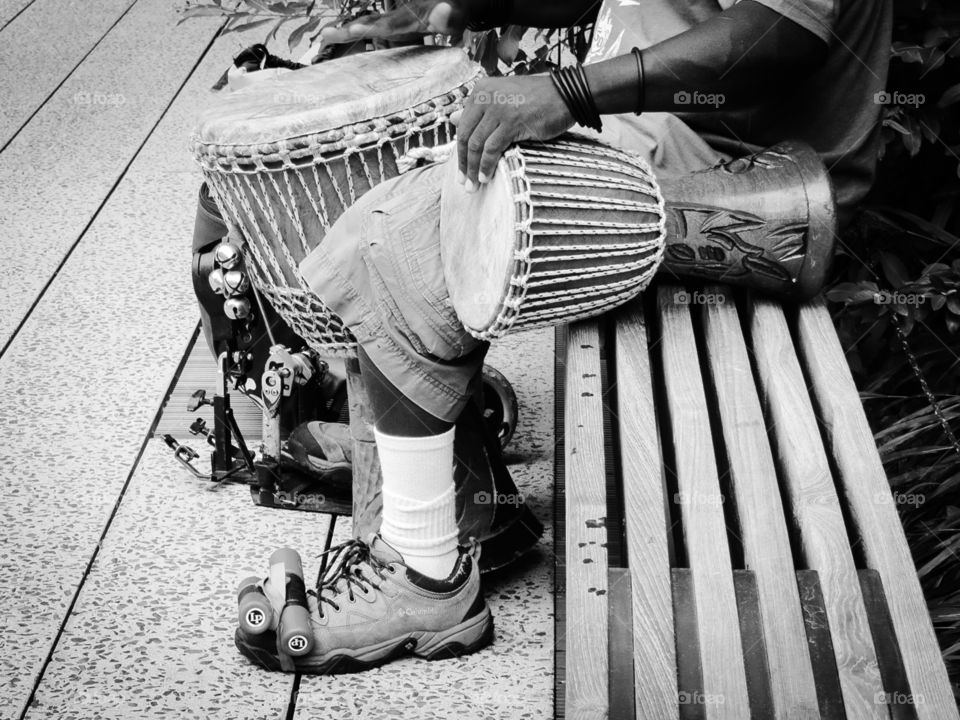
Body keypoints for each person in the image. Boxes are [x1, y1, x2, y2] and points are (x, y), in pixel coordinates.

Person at [236, 0, 892, 674]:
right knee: (407, 192)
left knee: (398, 234)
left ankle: (424, 572)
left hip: (734, 184)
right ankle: (465, 504)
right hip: (654, 143)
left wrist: (567, 92)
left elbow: (776, 36)